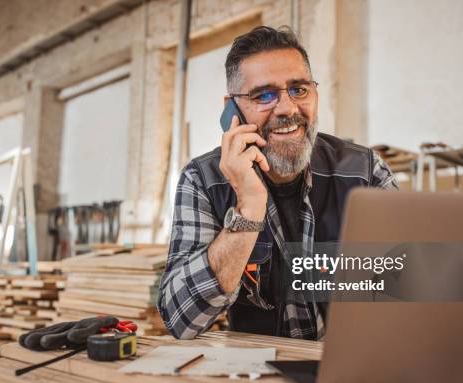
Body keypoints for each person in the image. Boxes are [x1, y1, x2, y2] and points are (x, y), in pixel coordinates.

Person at [158, 26, 398, 340]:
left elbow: (409, 287)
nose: (287, 109)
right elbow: (180, 318)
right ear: (232, 109)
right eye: (264, 95)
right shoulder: (202, 180)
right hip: (257, 380)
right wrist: (248, 208)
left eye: (299, 89)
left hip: (351, 368)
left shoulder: (365, 172)